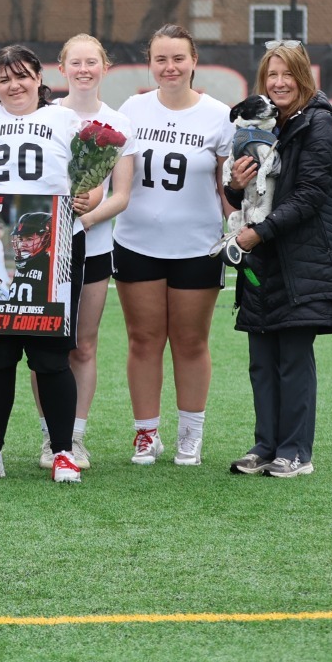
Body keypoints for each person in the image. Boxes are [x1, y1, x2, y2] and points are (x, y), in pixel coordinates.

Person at [0, 45, 93, 485]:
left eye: (23, 76)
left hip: (56, 245)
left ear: (39, 77)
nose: (14, 85)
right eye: (4, 78)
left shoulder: (67, 119)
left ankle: (63, 451)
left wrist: (87, 199)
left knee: (51, 356)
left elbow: (92, 185)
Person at [225, 43, 332, 478]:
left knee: (293, 356)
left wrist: (256, 233)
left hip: (303, 260)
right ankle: (265, 445)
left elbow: (309, 195)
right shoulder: (268, 125)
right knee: (261, 359)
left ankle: (296, 452)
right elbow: (248, 195)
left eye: (287, 75)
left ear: (303, 77)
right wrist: (235, 186)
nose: (279, 83)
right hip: (263, 261)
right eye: (271, 76)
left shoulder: (319, 124)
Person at [114, 24, 233, 467]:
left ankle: (190, 434)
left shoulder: (218, 114)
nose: (170, 67)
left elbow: (229, 187)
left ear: (194, 61)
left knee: (190, 341)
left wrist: (239, 227)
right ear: (150, 64)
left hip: (198, 245)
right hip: (137, 241)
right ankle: (147, 434)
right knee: (143, 339)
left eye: (178, 58)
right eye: (161, 59)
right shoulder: (132, 109)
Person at [41, 34, 136, 470]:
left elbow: (122, 195)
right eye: (75, 62)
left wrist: (85, 217)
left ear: (104, 67)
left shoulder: (119, 124)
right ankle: (50, 439)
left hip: (92, 248)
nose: (84, 70)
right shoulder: (44, 117)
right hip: (42, 249)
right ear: (61, 69)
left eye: (91, 62)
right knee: (45, 344)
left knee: (83, 344)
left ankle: (75, 438)